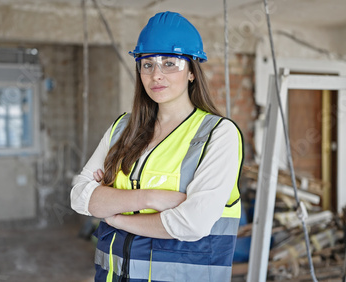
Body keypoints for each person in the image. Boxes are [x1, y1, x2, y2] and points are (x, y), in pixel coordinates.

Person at [71, 11, 244, 282]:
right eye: (147, 64)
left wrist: (114, 215)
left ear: (191, 72)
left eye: (170, 63)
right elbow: (80, 197)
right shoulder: (121, 129)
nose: (156, 75)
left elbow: (191, 223)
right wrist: (150, 198)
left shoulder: (218, 134)